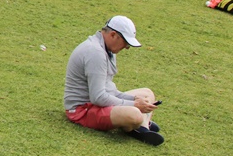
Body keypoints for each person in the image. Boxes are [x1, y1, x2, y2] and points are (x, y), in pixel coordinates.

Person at [64, 16, 163, 146]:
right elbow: (98, 97)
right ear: (113, 35)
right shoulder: (95, 53)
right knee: (135, 114)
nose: (127, 47)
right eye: (126, 42)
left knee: (147, 93)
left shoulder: (107, 50)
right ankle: (136, 123)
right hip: (82, 110)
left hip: (98, 104)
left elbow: (110, 90)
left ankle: (142, 128)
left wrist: (134, 100)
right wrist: (134, 105)